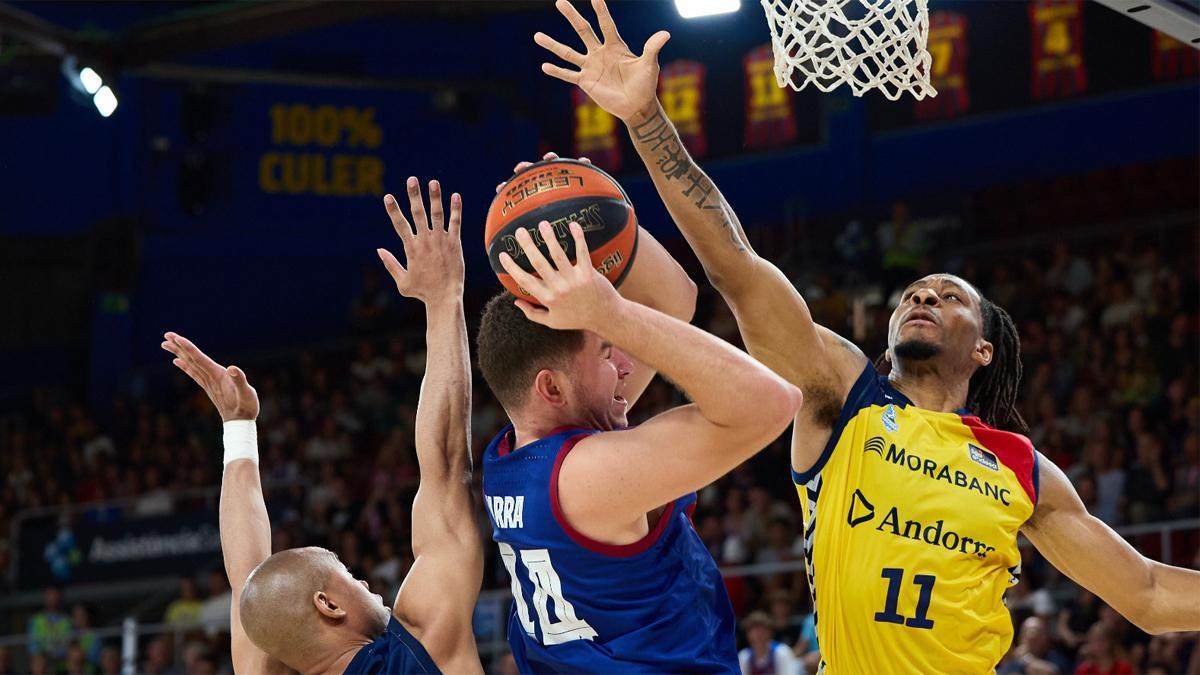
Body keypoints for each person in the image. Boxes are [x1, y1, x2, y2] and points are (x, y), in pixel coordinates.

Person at [533, 1, 1200, 671]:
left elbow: (1143, 591)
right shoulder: (842, 397)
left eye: (949, 295)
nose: (924, 295)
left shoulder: (1022, 469)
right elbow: (735, 268)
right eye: (915, 291)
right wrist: (647, 121)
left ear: (983, 348)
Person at [161, 178, 481, 674]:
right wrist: (444, 298)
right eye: (348, 576)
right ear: (328, 605)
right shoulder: (418, 650)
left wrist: (239, 425)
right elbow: (444, 466)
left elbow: (249, 578)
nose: (368, 584)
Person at [478, 208, 802, 671]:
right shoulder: (586, 475)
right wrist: (611, 313)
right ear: (551, 387)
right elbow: (772, 403)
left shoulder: (512, 455)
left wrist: (586, 205)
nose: (628, 365)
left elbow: (671, 297)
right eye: (608, 351)